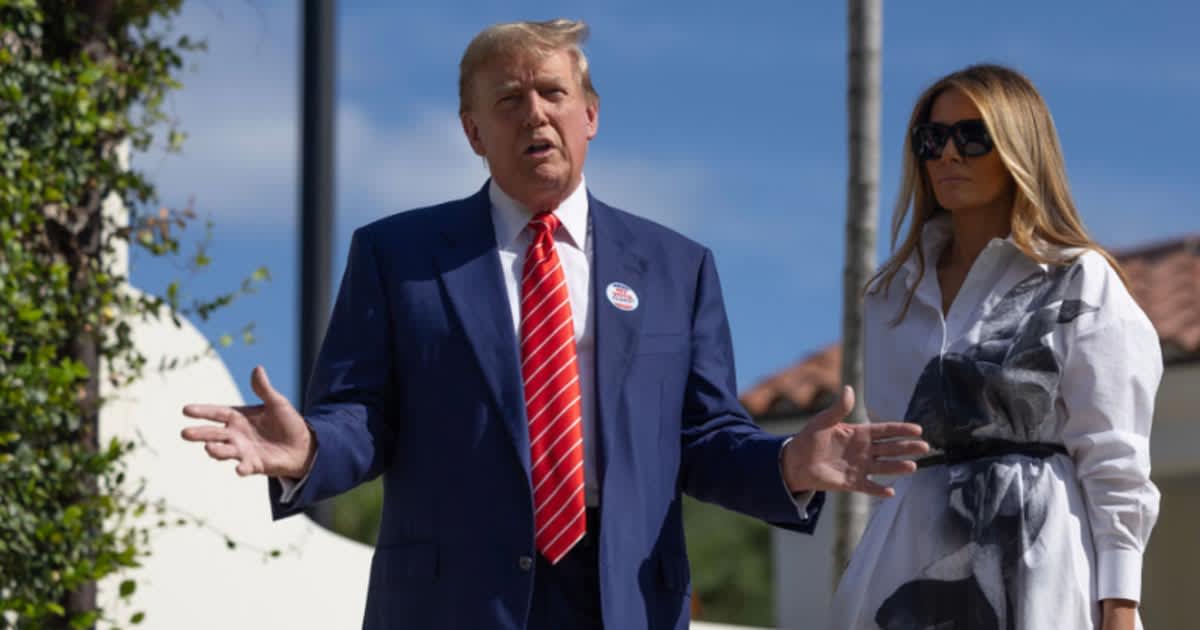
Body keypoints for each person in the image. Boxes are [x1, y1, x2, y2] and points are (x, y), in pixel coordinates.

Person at [180, 19, 929, 630]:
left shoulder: (677, 267)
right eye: (508, 100)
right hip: (452, 601)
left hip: (621, 595)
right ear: (474, 132)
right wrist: (309, 446)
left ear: (590, 115)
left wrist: (789, 465)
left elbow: (704, 439)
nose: (534, 112)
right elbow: (362, 418)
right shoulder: (396, 256)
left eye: (552, 93)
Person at [831, 64, 1162, 630]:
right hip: (905, 558)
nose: (947, 154)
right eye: (931, 139)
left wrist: (1121, 602)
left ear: (1018, 146)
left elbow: (1114, 453)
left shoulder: (1078, 280)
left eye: (972, 135)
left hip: (1039, 560)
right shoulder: (891, 296)